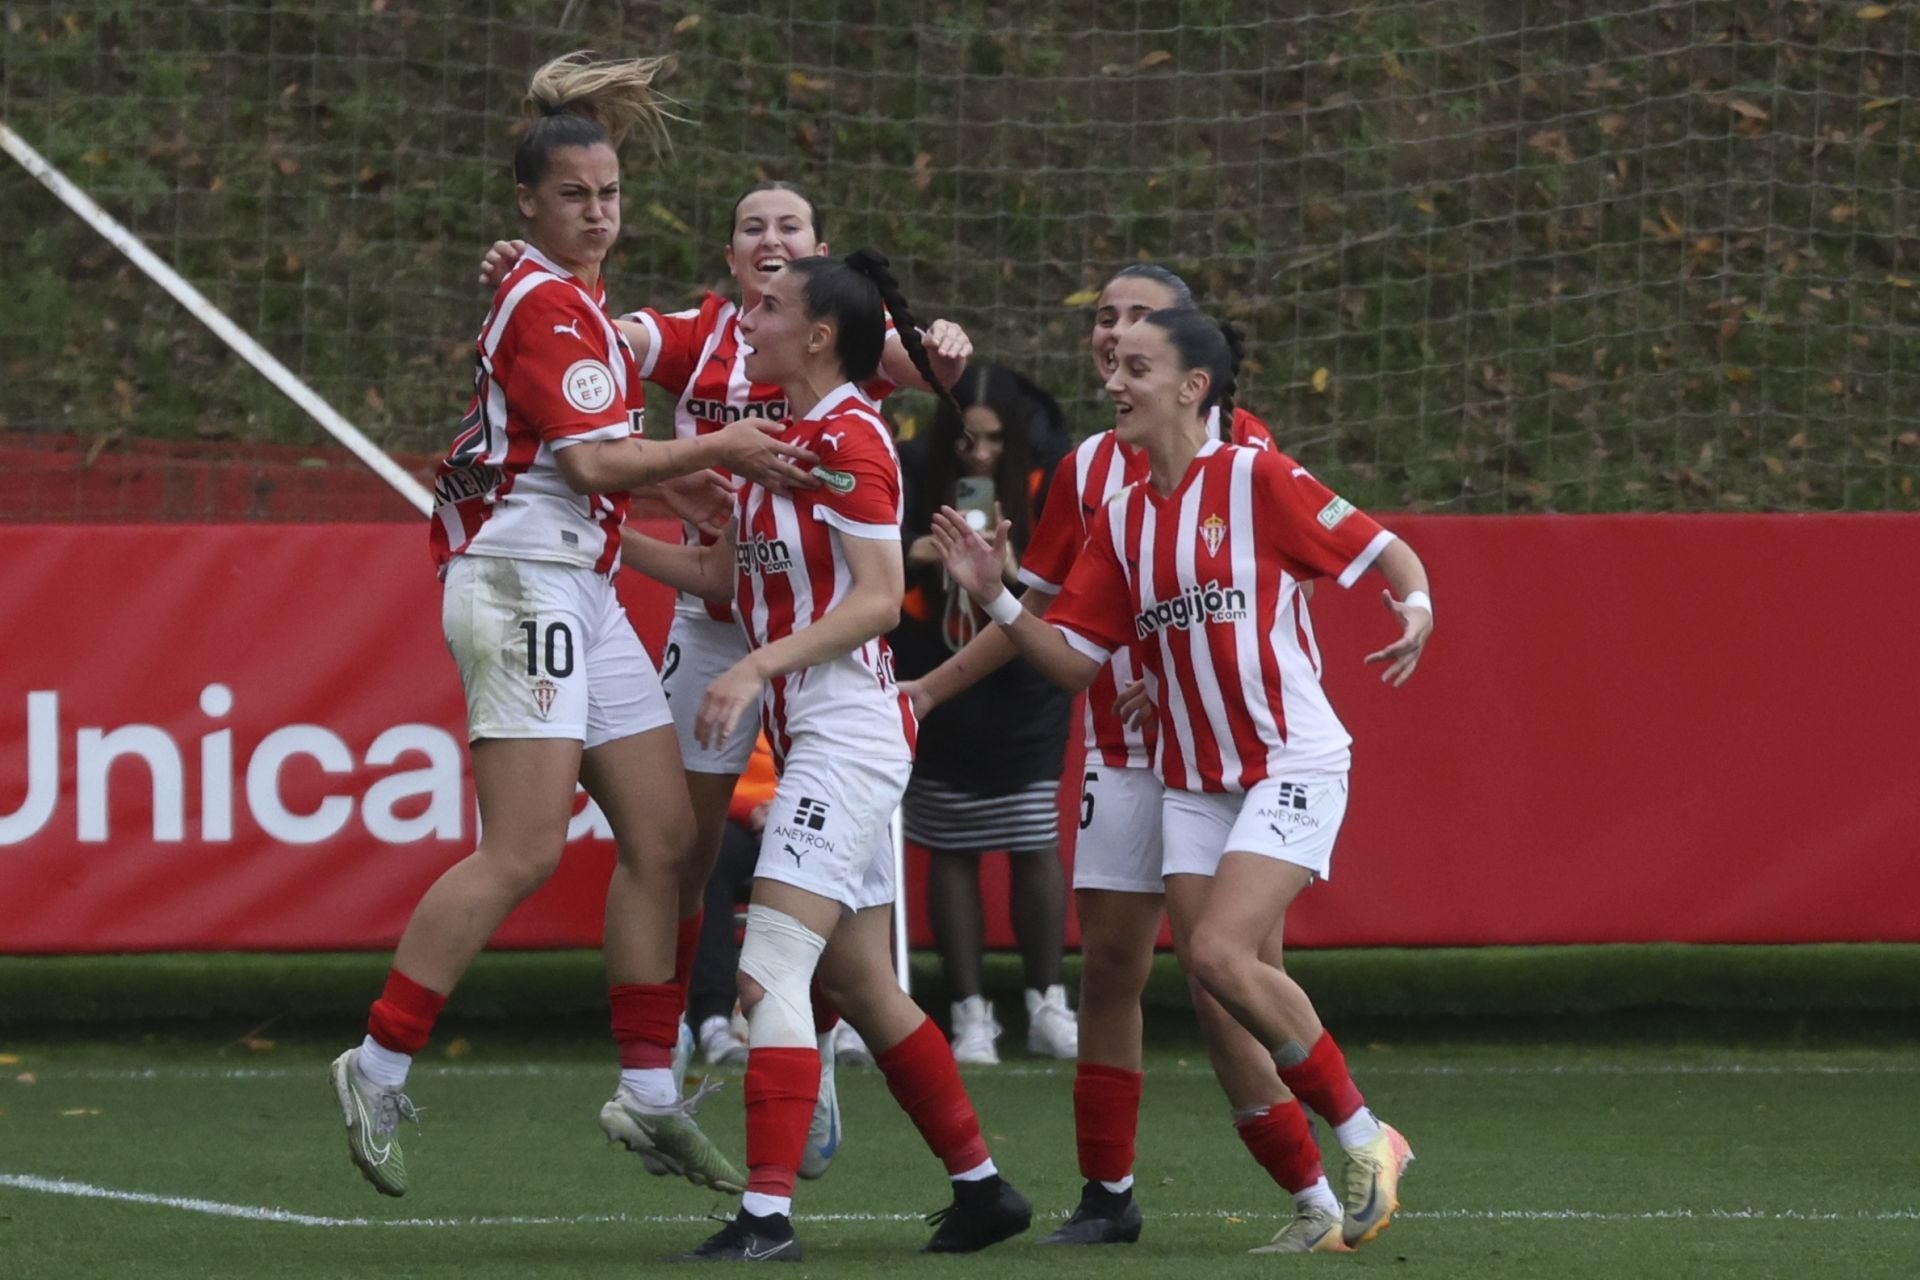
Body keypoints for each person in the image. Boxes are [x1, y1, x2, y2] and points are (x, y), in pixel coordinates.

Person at [326, 51, 817, 1201]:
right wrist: (720, 448)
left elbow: (639, 416)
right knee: (527, 845)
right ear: (528, 206)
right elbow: (595, 457)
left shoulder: (580, 298)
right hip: (520, 579)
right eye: (573, 196)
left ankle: (648, 1095)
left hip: (579, 580)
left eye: (608, 192)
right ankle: (379, 1058)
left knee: (664, 837)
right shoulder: (546, 300)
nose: (596, 211)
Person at [480, 180, 971, 1175]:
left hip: (811, 650)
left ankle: (802, 1077)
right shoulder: (702, 334)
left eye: (791, 225)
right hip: (727, 625)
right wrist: (529, 278)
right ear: (732, 252)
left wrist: (941, 352)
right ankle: (669, 1064)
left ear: (818, 253)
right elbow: (581, 358)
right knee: (674, 841)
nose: (772, 239)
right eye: (754, 226)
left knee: (830, 946)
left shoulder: (844, 367)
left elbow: (928, 368)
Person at [931, 305, 1430, 1254]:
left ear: (1193, 388)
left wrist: (1416, 606)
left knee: (1218, 959)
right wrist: (991, 587)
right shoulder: (1119, 519)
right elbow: (1075, 662)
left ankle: (1367, 1139)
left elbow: (1381, 548)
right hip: (1193, 778)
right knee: (1219, 979)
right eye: (1112, 365)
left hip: (1290, 758)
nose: (1114, 383)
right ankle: (1324, 1184)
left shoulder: (1257, 477)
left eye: (1137, 368)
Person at [620, 250, 1032, 1262]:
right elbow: (721, 570)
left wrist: (754, 664)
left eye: (767, 308)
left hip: (845, 737)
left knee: (768, 971)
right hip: (823, 734)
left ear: (816, 336)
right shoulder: (790, 437)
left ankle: (766, 1215)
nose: (745, 322)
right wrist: (595, 530)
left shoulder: (851, 436)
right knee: (862, 982)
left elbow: (881, 598)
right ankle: (984, 1189)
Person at [894, 364, 1076, 1063]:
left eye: (994, 441)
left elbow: (1066, 575)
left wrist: (1006, 570)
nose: (978, 455)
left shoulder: (1051, 474)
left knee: (1033, 833)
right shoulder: (913, 467)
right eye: (966, 440)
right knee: (950, 839)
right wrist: (929, 552)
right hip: (935, 661)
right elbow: (873, 550)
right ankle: (970, 1012)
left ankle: (1048, 1004)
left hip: (1023, 676)